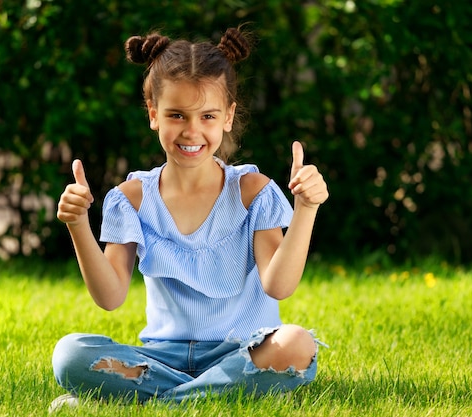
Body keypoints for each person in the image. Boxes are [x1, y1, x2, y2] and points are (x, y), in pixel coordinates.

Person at [50, 27, 329, 409]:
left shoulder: (252, 192)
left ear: (228, 117)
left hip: (241, 353)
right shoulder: (131, 199)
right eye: (177, 115)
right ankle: (206, 395)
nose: (191, 131)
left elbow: (279, 286)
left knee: (297, 344)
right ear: (154, 115)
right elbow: (110, 296)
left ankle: (158, 404)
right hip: (161, 360)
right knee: (69, 354)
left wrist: (306, 209)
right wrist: (78, 224)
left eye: (208, 116)